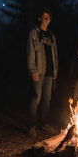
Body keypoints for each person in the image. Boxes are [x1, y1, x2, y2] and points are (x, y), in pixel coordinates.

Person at [27, 9, 58, 137]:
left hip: (50, 72)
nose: (46, 19)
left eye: (48, 17)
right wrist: (33, 70)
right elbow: (30, 52)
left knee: (47, 99)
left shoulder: (51, 35)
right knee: (36, 98)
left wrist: (56, 71)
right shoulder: (34, 33)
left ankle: (44, 124)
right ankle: (32, 126)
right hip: (39, 71)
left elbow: (55, 54)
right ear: (40, 18)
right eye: (44, 16)